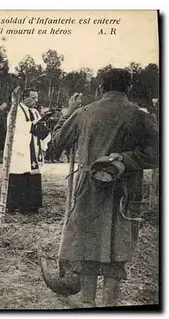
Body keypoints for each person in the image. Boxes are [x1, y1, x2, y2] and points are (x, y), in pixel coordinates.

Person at [52, 68, 159, 307]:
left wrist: (66, 113)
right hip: (126, 193)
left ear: (101, 87)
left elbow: (58, 140)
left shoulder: (84, 112)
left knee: (87, 246)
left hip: (88, 190)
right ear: (128, 88)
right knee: (117, 251)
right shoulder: (140, 116)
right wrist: (126, 159)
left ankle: (88, 304)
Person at [5, 88, 51, 214]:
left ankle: (31, 206)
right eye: (33, 98)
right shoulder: (16, 111)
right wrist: (33, 126)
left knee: (33, 175)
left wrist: (42, 128)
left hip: (32, 148)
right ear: (24, 98)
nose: (36, 101)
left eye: (36, 98)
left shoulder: (35, 112)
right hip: (20, 149)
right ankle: (14, 205)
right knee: (19, 175)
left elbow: (38, 125)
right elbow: (16, 127)